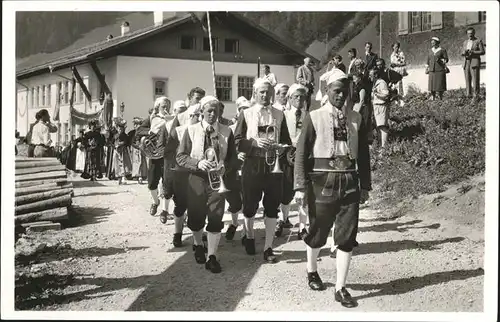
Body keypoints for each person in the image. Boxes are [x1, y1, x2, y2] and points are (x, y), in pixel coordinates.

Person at [293, 68, 371, 307]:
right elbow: (301, 154)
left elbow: (364, 155)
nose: (341, 96)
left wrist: (365, 185)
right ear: (327, 91)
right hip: (322, 181)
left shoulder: (356, 118)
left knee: (347, 236)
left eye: (345, 92)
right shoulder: (314, 116)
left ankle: (340, 287)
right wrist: (299, 186)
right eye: (337, 91)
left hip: (349, 180)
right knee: (318, 230)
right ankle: (312, 270)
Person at [176, 95, 238, 273]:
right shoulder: (191, 130)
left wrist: (226, 166)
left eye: (216, 110)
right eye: (209, 110)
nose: (212, 114)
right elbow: (180, 156)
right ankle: (197, 244)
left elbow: (233, 158)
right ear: (202, 111)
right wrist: (197, 163)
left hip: (218, 181)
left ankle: (212, 255)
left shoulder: (227, 131)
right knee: (196, 216)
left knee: (216, 215)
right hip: (197, 178)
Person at [234, 78, 292, 262]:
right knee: (250, 206)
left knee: (272, 206)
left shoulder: (279, 114)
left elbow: (287, 141)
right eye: (262, 92)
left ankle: (268, 247)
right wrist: (253, 143)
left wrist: (282, 147)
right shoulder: (247, 113)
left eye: (268, 92)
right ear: (255, 94)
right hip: (252, 164)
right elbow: (236, 141)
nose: (266, 95)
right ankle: (249, 235)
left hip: (273, 164)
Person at [162, 103, 202, 245]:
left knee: (198, 205)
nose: (196, 118)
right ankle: (177, 233)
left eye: (199, 115)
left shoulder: (204, 130)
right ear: (189, 116)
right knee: (180, 204)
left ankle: (198, 234)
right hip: (181, 172)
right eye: (194, 115)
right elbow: (168, 152)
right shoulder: (178, 131)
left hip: (198, 172)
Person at [275, 84, 309, 239]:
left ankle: (303, 227)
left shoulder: (310, 115)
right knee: (285, 190)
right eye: (296, 96)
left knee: (303, 191)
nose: (300, 99)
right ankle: (283, 219)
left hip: (305, 157)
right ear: (289, 98)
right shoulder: (283, 115)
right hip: (287, 155)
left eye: (302, 96)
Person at [136, 97, 172, 217]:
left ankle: (165, 210)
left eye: (168, 106)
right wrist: (152, 131)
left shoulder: (173, 118)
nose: (166, 108)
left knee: (167, 183)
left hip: (167, 155)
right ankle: (155, 202)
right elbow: (139, 131)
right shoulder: (152, 119)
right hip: (154, 154)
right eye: (163, 106)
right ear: (158, 107)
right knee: (152, 183)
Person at [225, 97, 251, 241]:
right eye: (242, 110)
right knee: (234, 201)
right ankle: (234, 224)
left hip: (250, 167)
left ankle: (245, 232)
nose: (244, 113)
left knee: (248, 200)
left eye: (247, 110)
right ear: (238, 111)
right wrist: (236, 154)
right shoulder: (231, 129)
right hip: (234, 168)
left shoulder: (254, 127)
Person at [461, 27, 485, 100]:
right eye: (468, 34)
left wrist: (473, 52)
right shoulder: (465, 42)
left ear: (474, 33)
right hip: (466, 62)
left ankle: (476, 95)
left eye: (471, 33)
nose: (470, 35)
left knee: (475, 79)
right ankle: (468, 95)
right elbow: (462, 52)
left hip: (474, 61)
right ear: (467, 34)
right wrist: (464, 52)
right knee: (467, 79)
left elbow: (482, 52)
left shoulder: (478, 41)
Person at [369, 68, 390, 149]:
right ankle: (381, 145)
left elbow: (386, 95)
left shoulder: (382, 83)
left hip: (381, 106)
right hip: (376, 106)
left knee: (382, 126)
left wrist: (376, 93)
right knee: (378, 126)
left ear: (376, 75)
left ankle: (384, 147)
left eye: (371, 75)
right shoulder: (375, 83)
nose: (369, 77)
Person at [426, 36, 449, 101]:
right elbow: (428, 60)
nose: (432, 44)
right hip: (432, 70)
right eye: (432, 43)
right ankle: (433, 97)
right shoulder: (430, 50)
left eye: (434, 43)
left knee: (439, 84)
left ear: (437, 43)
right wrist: (427, 68)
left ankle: (440, 97)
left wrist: (440, 59)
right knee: (432, 85)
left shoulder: (442, 50)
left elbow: (446, 59)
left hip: (439, 69)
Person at [128, 117, 148, 184]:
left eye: (137, 124)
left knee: (142, 163)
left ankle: (141, 176)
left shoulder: (143, 132)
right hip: (136, 150)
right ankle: (137, 176)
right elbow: (131, 141)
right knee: (136, 163)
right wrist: (136, 146)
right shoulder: (132, 132)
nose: (135, 126)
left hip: (142, 149)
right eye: (135, 124)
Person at [113, 118, 132, 185]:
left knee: (123, 164)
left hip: (123, 151)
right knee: (118, 164)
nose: (120, 130)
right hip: (117, 151)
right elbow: (113, 142)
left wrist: (120, 144)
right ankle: (119, 178)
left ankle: (123, 177)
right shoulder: (115, 135)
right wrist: (115, 145)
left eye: (121, 129)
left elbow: (126, 142)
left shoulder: (125, 135)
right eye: (119, 129)